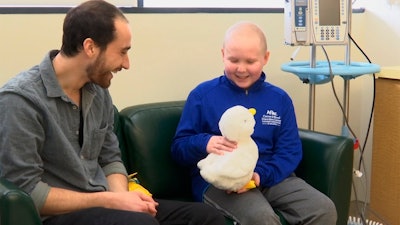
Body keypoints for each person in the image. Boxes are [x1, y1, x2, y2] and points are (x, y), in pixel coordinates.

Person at [0, 1, 226, 225]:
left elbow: (110, 158)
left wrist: (122, 199)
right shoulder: (20, 100)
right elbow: (27, 191)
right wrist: (110, 201)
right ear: (90, 48)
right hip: (58, 216)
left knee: (207, 218)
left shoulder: (98, 92)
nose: (126, 64)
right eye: (122, 52)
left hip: (106, 204)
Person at [171, 21, 337, 225]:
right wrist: (205, 142)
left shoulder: (279, 99)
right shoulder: (202, 95)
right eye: (233, 60)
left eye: (250, 61)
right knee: (262, 218)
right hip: (222, 182)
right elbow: (179, 148)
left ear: (265, 58)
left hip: (270, 175)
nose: (241, 69)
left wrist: (260, 176)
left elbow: (290, 151)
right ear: (223, 54)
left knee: (323, 208)